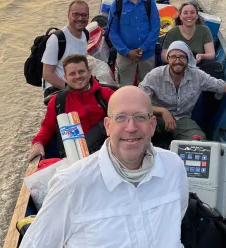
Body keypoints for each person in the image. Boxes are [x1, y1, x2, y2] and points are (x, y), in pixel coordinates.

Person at [20, 86, 189, 248]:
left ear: (152, 125)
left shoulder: (173, 166)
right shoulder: (72, 184)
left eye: (140, 117)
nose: (131, 127)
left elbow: (177, 217)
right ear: (108, 126)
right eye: (121, 117)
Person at [139, 41, 226, 141]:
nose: (177, 60)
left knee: (198, 141)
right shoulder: (155, 75)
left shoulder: (197, 75)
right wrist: (162, 111)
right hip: (156, 119)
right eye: (173, 57)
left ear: (188, 59)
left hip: (182, 120)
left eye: (182, 57)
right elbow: (138, 102)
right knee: (139, 133)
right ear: (168, 59)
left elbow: (224, 86)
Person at [28, 54, 115, 160]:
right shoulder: (57, 102)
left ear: (89, 72)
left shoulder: (106, 94)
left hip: (107, 152)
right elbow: (47, 127)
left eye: (81, 71)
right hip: (74, 157)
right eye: (72, 74)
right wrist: (38, 143)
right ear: (65, 78)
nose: (78, 76)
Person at [107, 0, 160, 86]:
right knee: (125, 89)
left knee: (148, 88)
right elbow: (113, 32)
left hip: (147, 55)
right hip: (125, 56)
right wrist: (127, 52)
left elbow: (155, 28)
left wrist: (143, 48)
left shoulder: (149, 2)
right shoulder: (117, 4)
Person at [41, 0, 89, 99]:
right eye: (75, 14)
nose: (80, 18)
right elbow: (47, 74)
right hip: (57, 89)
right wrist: (71, 88)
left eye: (84, 15)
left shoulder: (85, 34)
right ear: (68, 16)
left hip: (76, 85)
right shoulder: (57, 39)